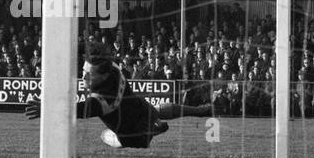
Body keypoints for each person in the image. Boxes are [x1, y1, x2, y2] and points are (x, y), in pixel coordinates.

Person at [26, 57, 212, 148]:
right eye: (83, 70)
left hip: (133, 137)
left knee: (106, 137)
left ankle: (150, 130)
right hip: (141, 110)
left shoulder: (101, 102)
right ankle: (200, 111)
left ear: (103, 76)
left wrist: (46, 109)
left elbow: (75, 110)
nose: (83, 75)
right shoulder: (115, 70)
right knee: (152, 109)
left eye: (89, 73)